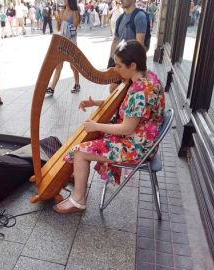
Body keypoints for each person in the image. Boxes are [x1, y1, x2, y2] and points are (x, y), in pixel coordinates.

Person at [53, 40, 165, 214]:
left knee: (80, 151)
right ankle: (79, 172)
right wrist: (96, 103)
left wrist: (96, 125)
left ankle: (78, 200)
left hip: (135, 147)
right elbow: (128, 109)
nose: (115, 70)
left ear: (133, 65)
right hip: (142, 140)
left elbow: (127, 129)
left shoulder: (140, 91)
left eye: (119, 66)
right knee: (91, 140)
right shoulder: (146, 78)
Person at [107, 0, 148, 93]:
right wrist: (111, 62)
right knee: (113, 89)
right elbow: (115, 41)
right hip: (121, 63)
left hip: (130, 67)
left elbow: (139, 47)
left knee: (116, 90)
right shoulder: (120, 18)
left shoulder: (139, 17)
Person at [45, 0, 80, 95]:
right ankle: (52, 88)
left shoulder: (75, 13)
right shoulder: (62, 12)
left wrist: (64, 23)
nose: (64, 1)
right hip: (62, 42)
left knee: (73, 66)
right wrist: (58, 20)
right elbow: (59, 29)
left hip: (71, 43)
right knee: (58, 66)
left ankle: (77, 84)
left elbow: (74, 30)